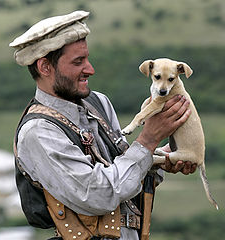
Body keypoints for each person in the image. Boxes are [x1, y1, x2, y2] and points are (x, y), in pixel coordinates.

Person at [10, 11, 197, 240]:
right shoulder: (38, 132)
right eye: (78, 62)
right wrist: (148, 140)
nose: (90, 69)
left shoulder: (98, 102)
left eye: (87, 59)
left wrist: (161, 160)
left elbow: (123, 170)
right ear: (45, 67)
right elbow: (98, 195)